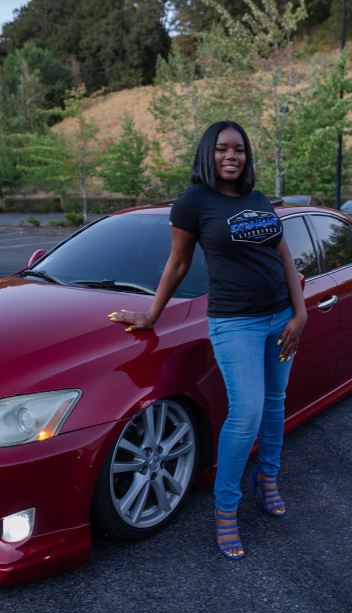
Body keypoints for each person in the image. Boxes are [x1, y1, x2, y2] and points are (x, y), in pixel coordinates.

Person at [109, 120, 307, 560]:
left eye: (238, 149)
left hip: (281, 319)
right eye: (222, 149)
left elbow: (285, 256)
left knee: (275, 403)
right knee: (247, 412)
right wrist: (151, 314)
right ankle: (225, 509)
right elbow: (177, 265)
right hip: (235, 322)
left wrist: (301, 312)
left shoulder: (258, 200)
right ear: (208, 153)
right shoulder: (194, 201)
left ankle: (268, 478)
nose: (231, 156)